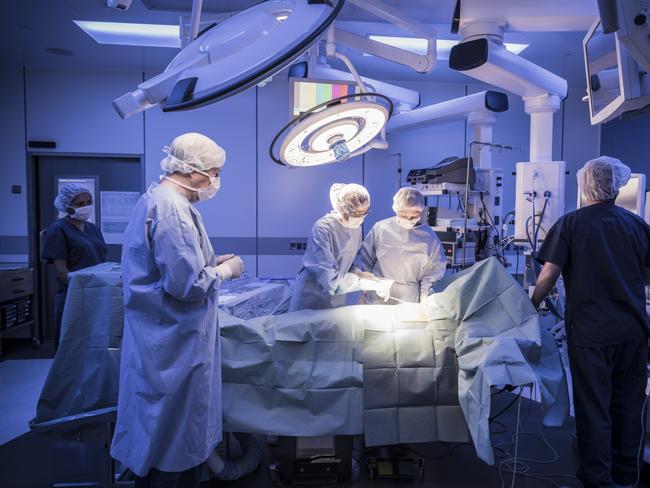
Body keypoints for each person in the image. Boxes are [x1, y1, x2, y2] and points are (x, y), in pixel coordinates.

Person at [111, 133, 244, 488]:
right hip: (174, 344)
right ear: (192, 169)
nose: (217, 180)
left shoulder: (160, 200)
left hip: (163, 339)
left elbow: (169, 266)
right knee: (173, 437)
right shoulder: (173, 210)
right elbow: (187, 286)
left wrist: (211, 262)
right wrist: (226, 271)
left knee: (160, 431)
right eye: (214, 172)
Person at [531, 156, 650, 488]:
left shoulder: (571, 224)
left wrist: (529, 309)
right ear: (616, 186)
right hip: (633, 333)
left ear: (585, 185)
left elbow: (548, 276)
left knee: (594, 410)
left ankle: (599, 480)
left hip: (591, 334)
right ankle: (627, 477)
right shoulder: (637, 224)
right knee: (628, 408)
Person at [289, 183, 388, 311]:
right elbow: (329, 279)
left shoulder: (355, 228)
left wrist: (359, 273)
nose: (361, 218)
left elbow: (347, 262)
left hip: (336, 298)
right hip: (311, 298)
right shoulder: (323, 229)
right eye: (357, 214)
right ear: (343, 209)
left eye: (365, 213)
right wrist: (364, 283)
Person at [42, 183, 107, 349]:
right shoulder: (58, 229)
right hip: (74, 293)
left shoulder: (93, 229)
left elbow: (101, 261)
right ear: (67, 206)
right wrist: (80, 290)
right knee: (71, 341)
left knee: (94, 340)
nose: (85, 207)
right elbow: (61, 271)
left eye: (88, 202)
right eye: (79, 204)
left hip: (96, 292)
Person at [355, 187, 447, 304]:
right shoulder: (381, 229)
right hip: (379, 295)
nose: (408, 219)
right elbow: (365, 262)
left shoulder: (428, 236)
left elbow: (432, 273)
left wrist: (425, 300)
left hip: (409, 299)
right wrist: (365, 292)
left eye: (414, 216)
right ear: (396, 210)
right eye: (404, 215)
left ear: (420, 211)